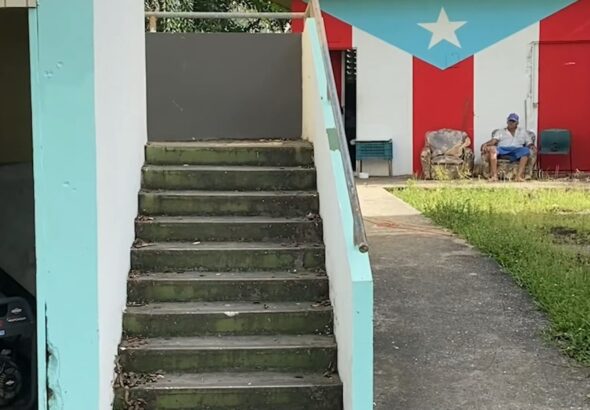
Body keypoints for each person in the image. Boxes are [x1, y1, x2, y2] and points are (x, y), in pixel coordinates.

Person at [481, 113, 536, 182]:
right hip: (503, 149)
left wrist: (532, 146)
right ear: (507, 121)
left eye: (513, 121)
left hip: (517, 150)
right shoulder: (500, 131)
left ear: (517, 123)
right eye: (510, 121)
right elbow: (493, 141)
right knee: (492, 149)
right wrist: (485, 144)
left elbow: (529, 142)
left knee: (526, 151)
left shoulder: (523, 132)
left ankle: (518, 176)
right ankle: (494, 176)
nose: (511, 123)